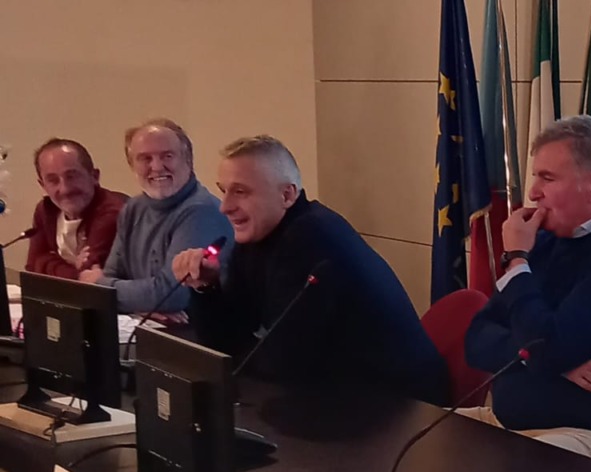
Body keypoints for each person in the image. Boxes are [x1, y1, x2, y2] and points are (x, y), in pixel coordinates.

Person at [464, 116, 591, 472]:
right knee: (417, 441)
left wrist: (517, 261)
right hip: (506, 423)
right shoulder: (547, 242)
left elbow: (546, 347)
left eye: (547, 178)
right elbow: (477, 340)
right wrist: (551, 360)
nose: (533, 192)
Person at [173, 135, 448, 405]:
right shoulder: (258, 236)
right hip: (341, 396)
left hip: (404, 406)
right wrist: (206, 287)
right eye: (224, 191)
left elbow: (283, 362)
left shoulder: (311, 236)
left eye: (240, 192)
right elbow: (230, 342)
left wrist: (238, 354)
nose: (225, 207)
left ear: (287, 195)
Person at [83, 118, 232, 313]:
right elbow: (112, 276)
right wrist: (143, 305)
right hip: (142, 324)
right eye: (145, 158)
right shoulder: (133, 208)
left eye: (167, 156)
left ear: (188, 160)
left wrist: (100, 284)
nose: (157, 167)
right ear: (132, 165)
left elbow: (171, 295)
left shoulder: (202, 211)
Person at [24, 139, 127, 279]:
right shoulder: (45, 210)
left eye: (72, 176)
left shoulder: (113, 211)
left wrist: (49, 262)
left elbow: (91, 271)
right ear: (43, 185)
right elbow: (33, 266)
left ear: (94, 176)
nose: (65, 189)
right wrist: (75, 274)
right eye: (53, 180)